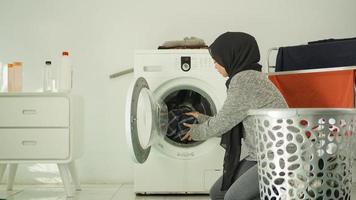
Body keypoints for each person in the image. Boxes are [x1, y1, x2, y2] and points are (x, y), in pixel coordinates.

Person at [181, 32, 288, 200]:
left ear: (231, 56)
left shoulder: (245, 80)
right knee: (218, 193)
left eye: (217, 60)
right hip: (260, 156)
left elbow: (222, 123)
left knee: (233, 197)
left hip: (279, 157)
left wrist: (196, 132)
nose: (215, 65)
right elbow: (230, 118)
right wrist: (201, 118)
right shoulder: (250, 76)